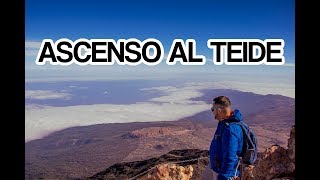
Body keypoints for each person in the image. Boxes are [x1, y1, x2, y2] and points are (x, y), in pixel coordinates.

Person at [208, 96, 244, 180]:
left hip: (225, 173)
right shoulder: (223, 123)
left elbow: (230, 157)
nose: (212, 112)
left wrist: (224, 177)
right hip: (217, 168)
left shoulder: (230, 129)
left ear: (219, 110)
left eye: (213, 109)